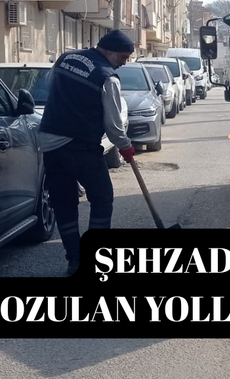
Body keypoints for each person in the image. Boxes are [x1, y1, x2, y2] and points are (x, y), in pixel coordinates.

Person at [39, 30, 137, 276]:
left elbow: (54, 91)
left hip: (50, 143)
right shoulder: (107, 77)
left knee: (63, 203)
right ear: (110, 51)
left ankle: (75, 260)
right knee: (102, 198)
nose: (124, 62)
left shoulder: (65, 59)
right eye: (123, 57)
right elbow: (114, 125)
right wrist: (125, 146)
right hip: (81, 145)